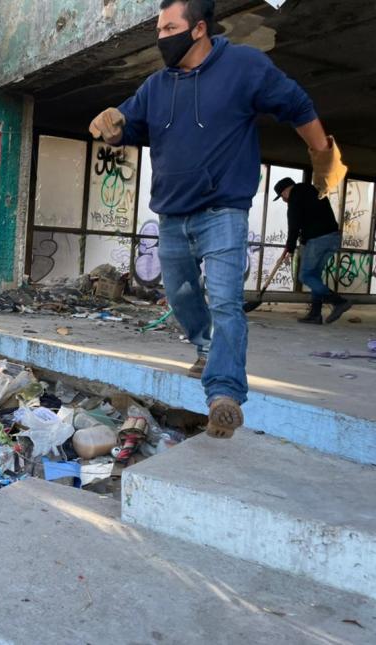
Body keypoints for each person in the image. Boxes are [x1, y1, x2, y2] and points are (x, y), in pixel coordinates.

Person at [89, 0, 346, 438]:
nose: (161, 36)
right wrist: (112, 126)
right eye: (159, 28)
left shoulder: (243, 66)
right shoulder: (156, 85)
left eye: (169, 27)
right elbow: (128, 125)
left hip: (223, 211)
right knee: (182, 297)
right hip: (171, 215)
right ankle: (206, 347)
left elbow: (295, 103)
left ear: (198, 29)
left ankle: (224, 396)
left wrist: (322, 153)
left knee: (226, 301)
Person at [274, 177, 350, 325]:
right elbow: (311, 218)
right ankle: (315, 314)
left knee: (305, 276)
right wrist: (301, 241)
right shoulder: (312, 191)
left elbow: (294, 224)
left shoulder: (295, 197)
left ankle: (339, 301)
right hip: (333, 238)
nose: (284, 200)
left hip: (318, 240)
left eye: (282, 197)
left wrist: (290, 247)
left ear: (285, 191)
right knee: (315, 276)